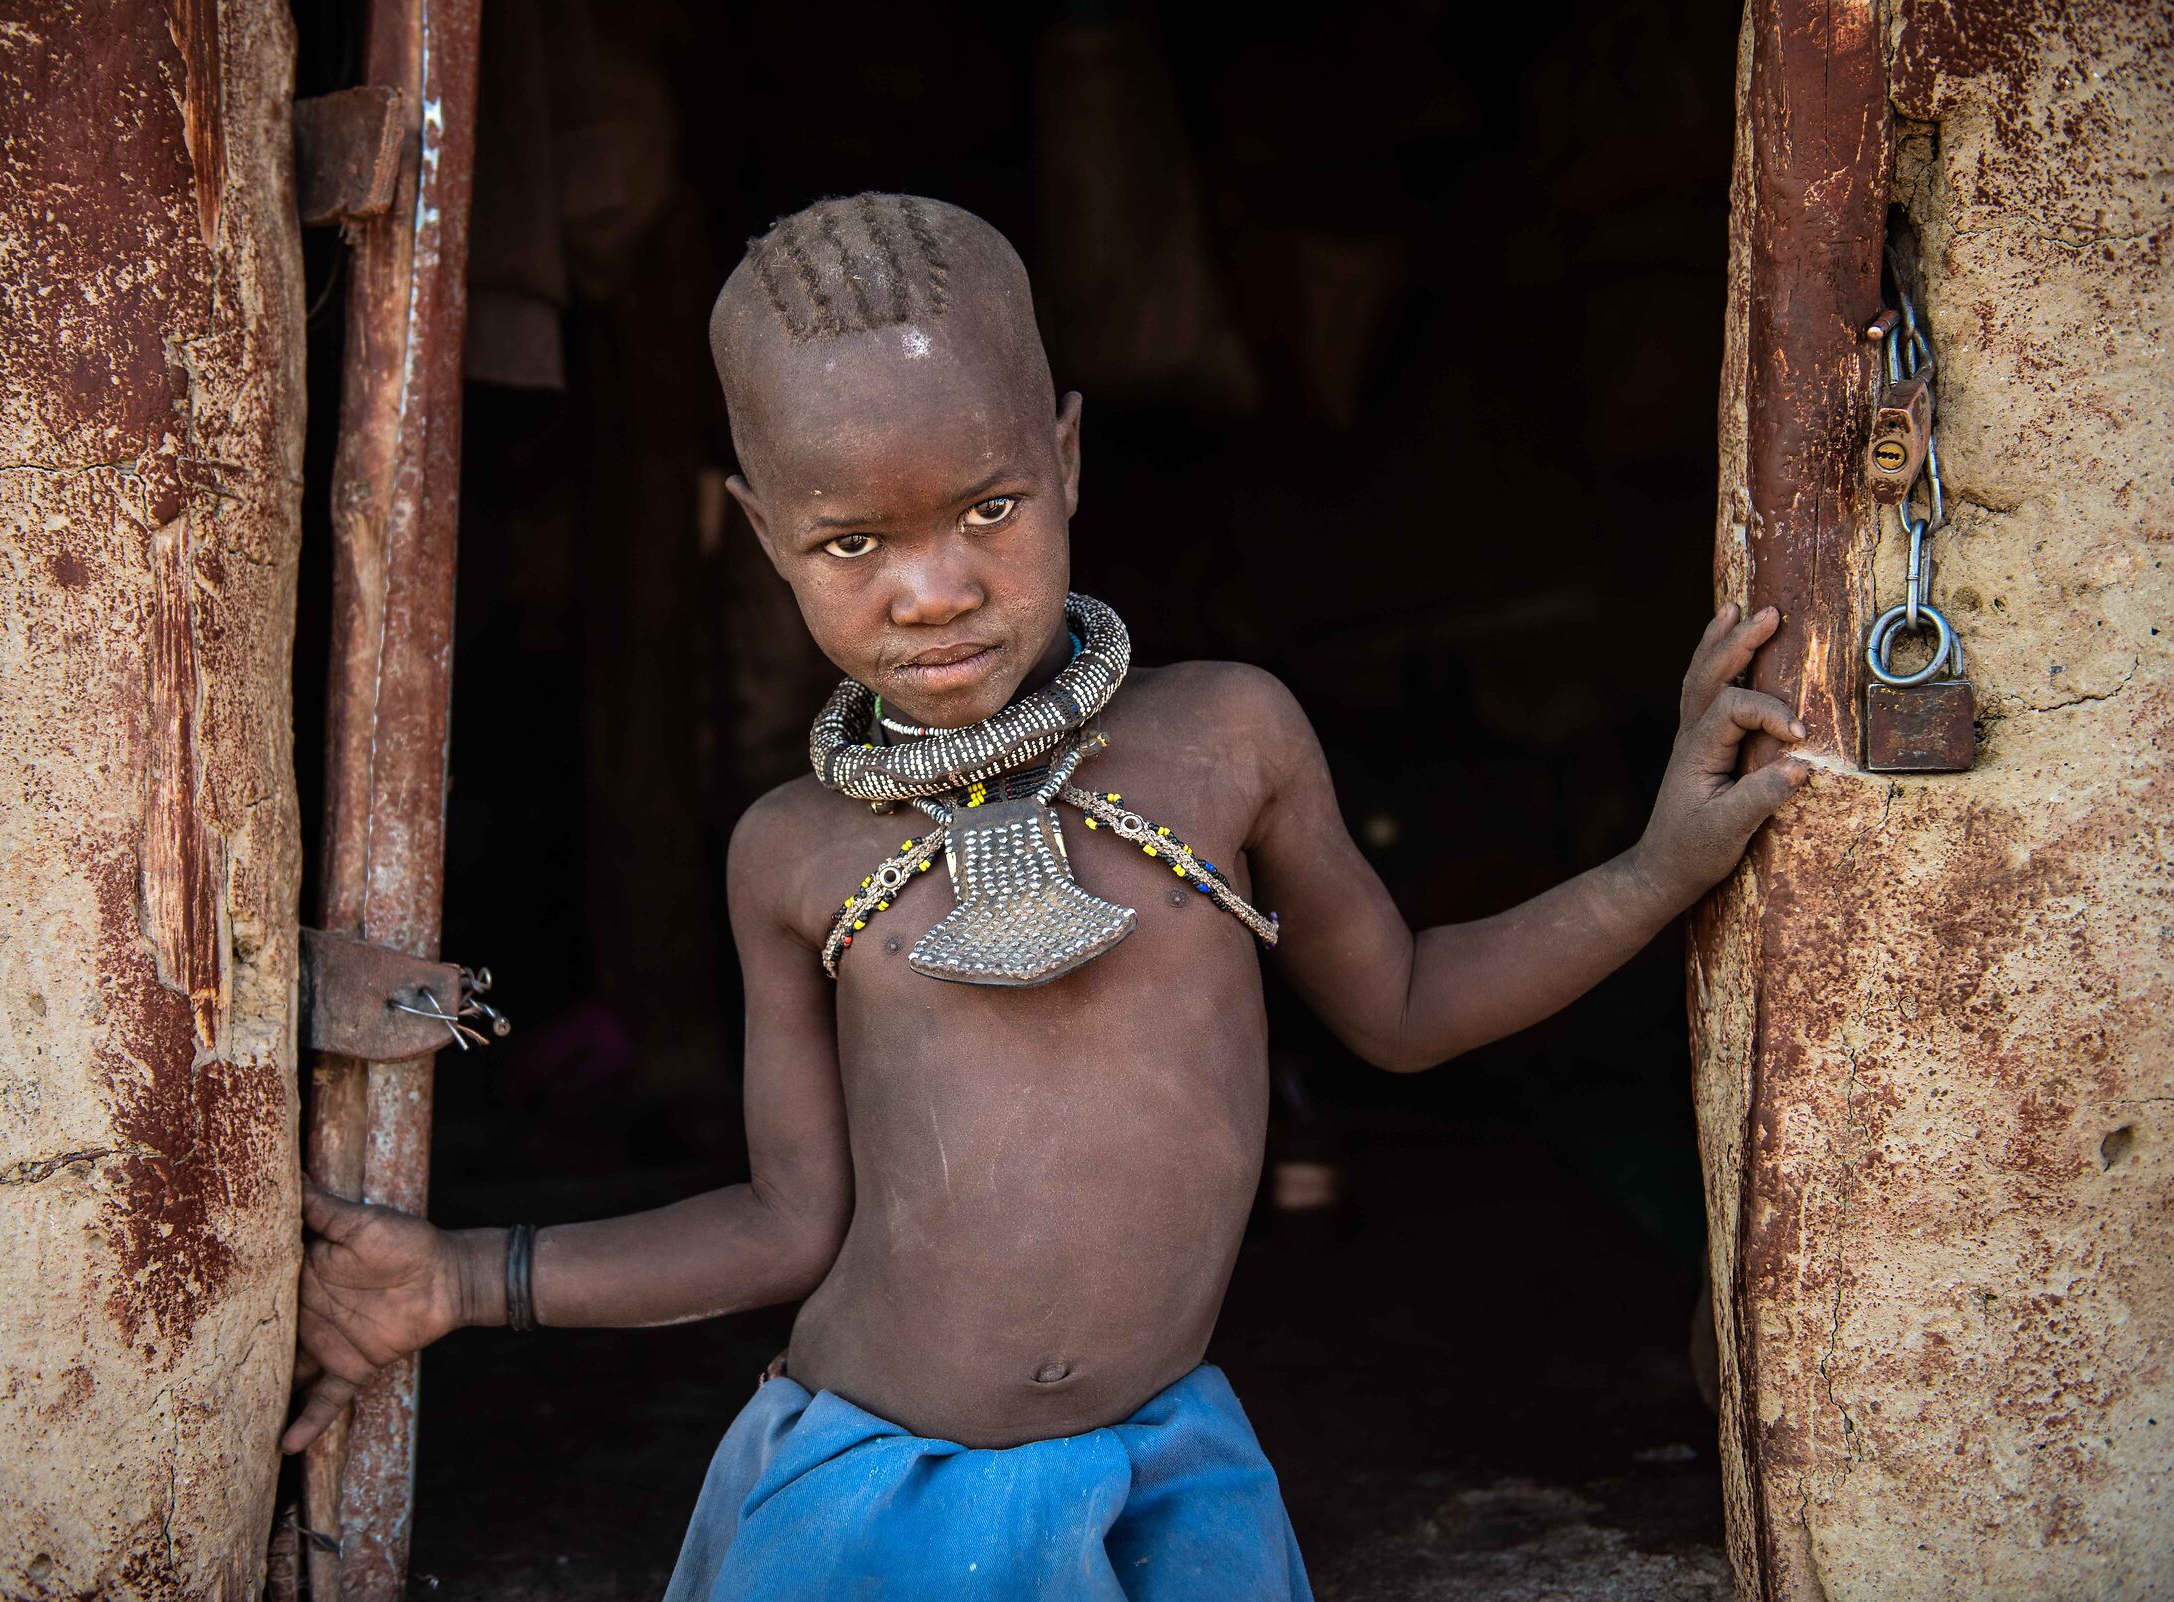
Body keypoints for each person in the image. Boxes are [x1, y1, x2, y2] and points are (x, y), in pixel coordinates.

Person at [284, 193, 1811, 1600]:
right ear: (762, 534)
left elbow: (1403, 1008)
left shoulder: (1230, 741)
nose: (932, 588)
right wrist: (463, 1277)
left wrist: (1656, 868)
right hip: (882, 1502)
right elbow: (784, 1223)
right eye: (851, 540)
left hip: (1173, 1477)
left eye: (990, 507)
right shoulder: (790, 851)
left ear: (1069, 459)